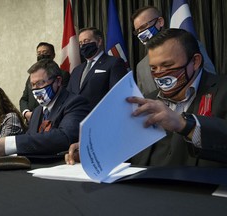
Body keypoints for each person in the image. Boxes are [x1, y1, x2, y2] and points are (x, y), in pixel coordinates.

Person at [66, 28, 227, 166]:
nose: (160, 73)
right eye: (153, 68)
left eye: (168, 65)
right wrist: (95, 150)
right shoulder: (146, 100)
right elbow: (127, 146)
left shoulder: (222, 90)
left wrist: (184, 124)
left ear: (196, 61)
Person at [0, 59, 90, 157]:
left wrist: (10, 144)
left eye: (40, 83)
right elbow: (31, 141)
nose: (35, 89)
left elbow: (64, 138)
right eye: (32, 85)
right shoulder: (37, 111)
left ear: (58, 81)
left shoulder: (75, 103)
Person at [131, 6, 216, 96]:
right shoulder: (141, 67)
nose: (141, 33)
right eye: (138, 31)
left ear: (160, 22)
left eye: (144, 26)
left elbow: (210, 79)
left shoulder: (189, 45)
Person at [67, 27, 128, 110]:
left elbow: (117, 95)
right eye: (81, 43)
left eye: (86, 41)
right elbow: (68, 96)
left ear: (99, 41)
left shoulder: (114, 63)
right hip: (76, 118)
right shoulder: (76, 70)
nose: (83, 45)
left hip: (100, 117)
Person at [20, 42, 70, 122]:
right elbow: (24, 99)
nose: (42, 55)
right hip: (32, 119)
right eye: (39, 53)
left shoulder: (63, 74)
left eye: (45, 53)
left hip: (51, 118)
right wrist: (26, 113)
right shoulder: (32, 76)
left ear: (53, 55)